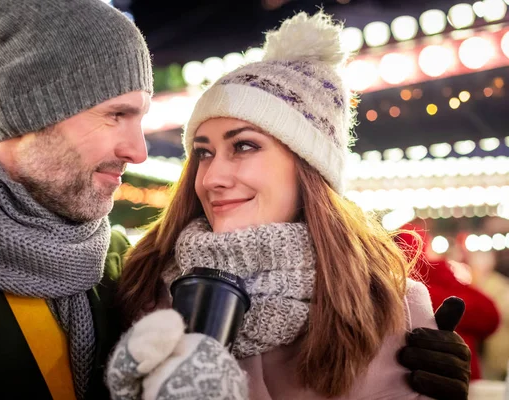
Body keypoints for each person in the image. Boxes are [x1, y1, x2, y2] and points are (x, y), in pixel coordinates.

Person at [106, 11, 472, 400]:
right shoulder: (140, 287)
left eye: (243, 146)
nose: (211, 178)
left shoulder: (391, 307)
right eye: (204, 153)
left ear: (307, 167)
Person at [0, 0, 152, 398]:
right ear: (23, 110)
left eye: (140, 117)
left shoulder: (123, 264)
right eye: (115, 115)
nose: (137, 151)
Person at [395, 223, 500, 381]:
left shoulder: (389, 291)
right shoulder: (442, 286)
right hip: (458, 380)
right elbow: (491, 318)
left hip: (407, 384)